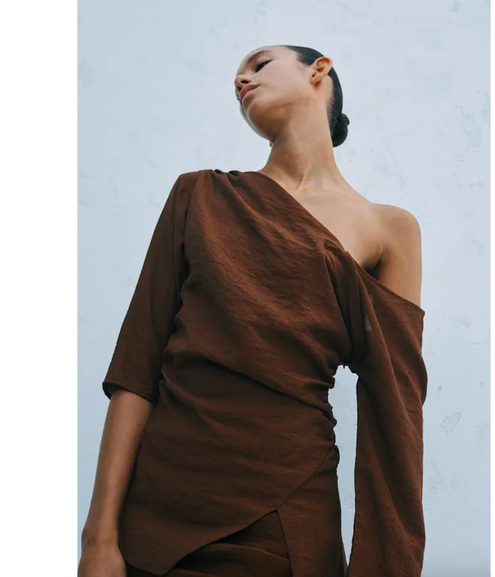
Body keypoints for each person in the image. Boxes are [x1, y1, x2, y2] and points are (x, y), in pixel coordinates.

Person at [77, 45, 427, 577]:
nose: (241, 80)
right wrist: (98, 538)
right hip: (154, 517)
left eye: (260, 64)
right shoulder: (199, 195)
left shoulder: (389, 229)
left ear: (319, 70)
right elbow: (136, 369)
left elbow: (394, 413)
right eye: (236, 77)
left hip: (285, 518)